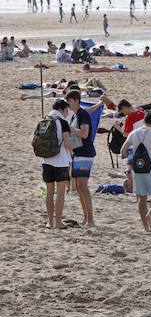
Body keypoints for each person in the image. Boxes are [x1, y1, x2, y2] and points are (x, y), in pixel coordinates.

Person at [65, 90, 102, 228]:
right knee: (79, 187)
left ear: (75, 100)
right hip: (78, 153)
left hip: (85, 153)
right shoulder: (76, 115)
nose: (68, 104)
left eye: (69, 101)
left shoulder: (82, 114)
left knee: (83, 186)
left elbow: (85, 134)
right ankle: (86, 218)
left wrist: (70, 129)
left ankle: (90, 219)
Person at [38, 99, 75, 229]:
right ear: (61, 110)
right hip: (60, 162)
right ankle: (58, 222)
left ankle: (50, 221)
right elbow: (66, 142)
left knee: (49, 192)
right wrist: (73, 150)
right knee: (60, 193)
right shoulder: (62, 122)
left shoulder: (45, 120)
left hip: (46, 160)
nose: (66, 114)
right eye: (66, 111)